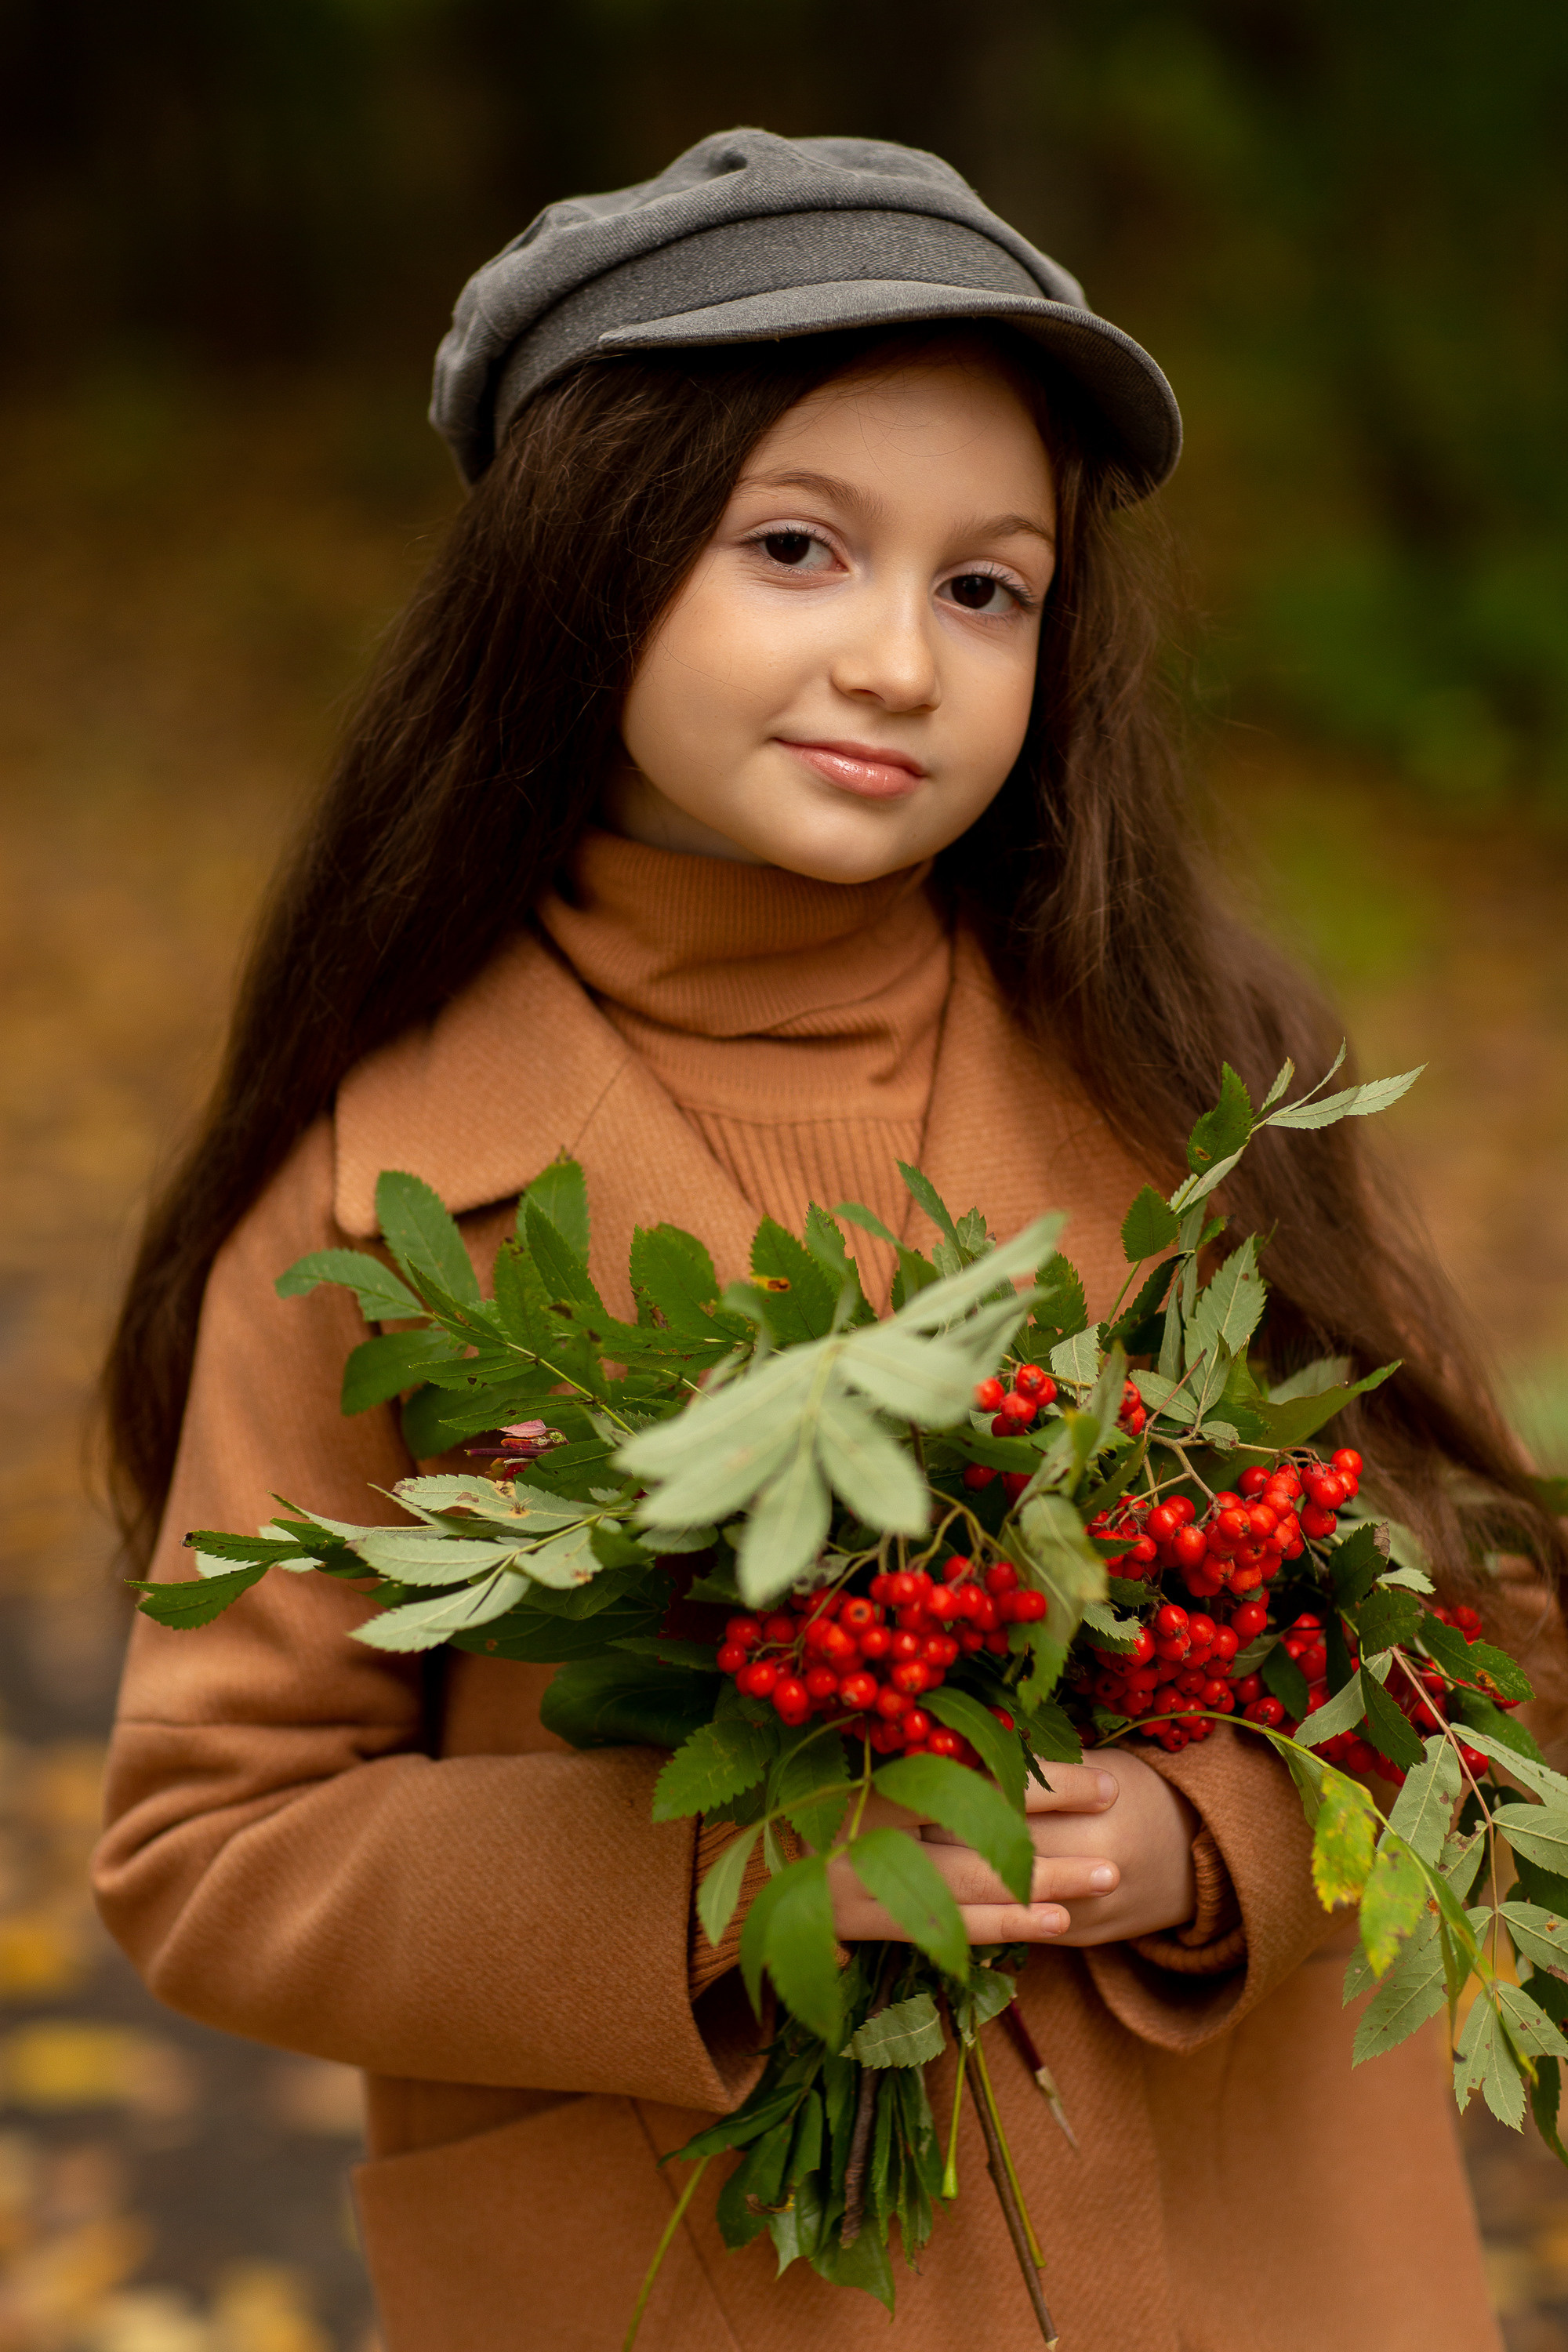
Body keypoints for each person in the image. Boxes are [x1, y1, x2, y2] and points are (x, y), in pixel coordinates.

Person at [93, 130, 1561, 2351]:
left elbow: (1449, 1630)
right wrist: (728, 1867)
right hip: (704, 2288)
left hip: (1261, 2266)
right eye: (796, 547)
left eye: (989, 588)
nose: (900, 657)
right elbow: (211, 1849)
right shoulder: (382, 1192)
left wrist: (1209, 1846)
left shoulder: (1186, 1086)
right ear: (578, 569)